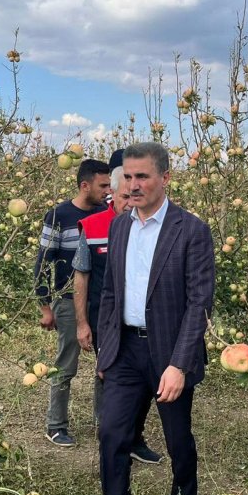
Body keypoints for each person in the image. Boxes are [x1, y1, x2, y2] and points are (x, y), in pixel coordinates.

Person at [75, 142, 215, 495]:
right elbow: (111, 293)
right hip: (125, 352)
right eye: (128, 178)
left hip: (169, 353)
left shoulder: (191, 230)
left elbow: (198, 303)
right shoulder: (120, 227)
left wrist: (179, 364)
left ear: (165, 179)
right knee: (112, 434)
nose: (133, 185)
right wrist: (106, 348)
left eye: (142, 177)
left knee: (177, 440)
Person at [72, 153, 162, 465]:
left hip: (143, 323)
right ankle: (111, 437)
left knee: (146, 382)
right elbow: (81, 276)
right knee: (110, 378)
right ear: (113, 193)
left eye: (135, 194)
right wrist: (82, 323)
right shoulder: (94, 226)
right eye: (124, 195)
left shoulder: (151, 226)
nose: (130, 201)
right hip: (104, 322)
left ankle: (133, 437)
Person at [34, 158, 110, 447]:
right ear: (84, 185)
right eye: (103, 185)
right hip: (67, 301)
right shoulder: (59, 216)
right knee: (66, 365)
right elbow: (43, 262)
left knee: (107, 364)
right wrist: (44, 305)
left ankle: (104, 423)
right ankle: (55, 425)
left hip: (101, 302)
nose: (107, 191)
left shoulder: (106, 214)